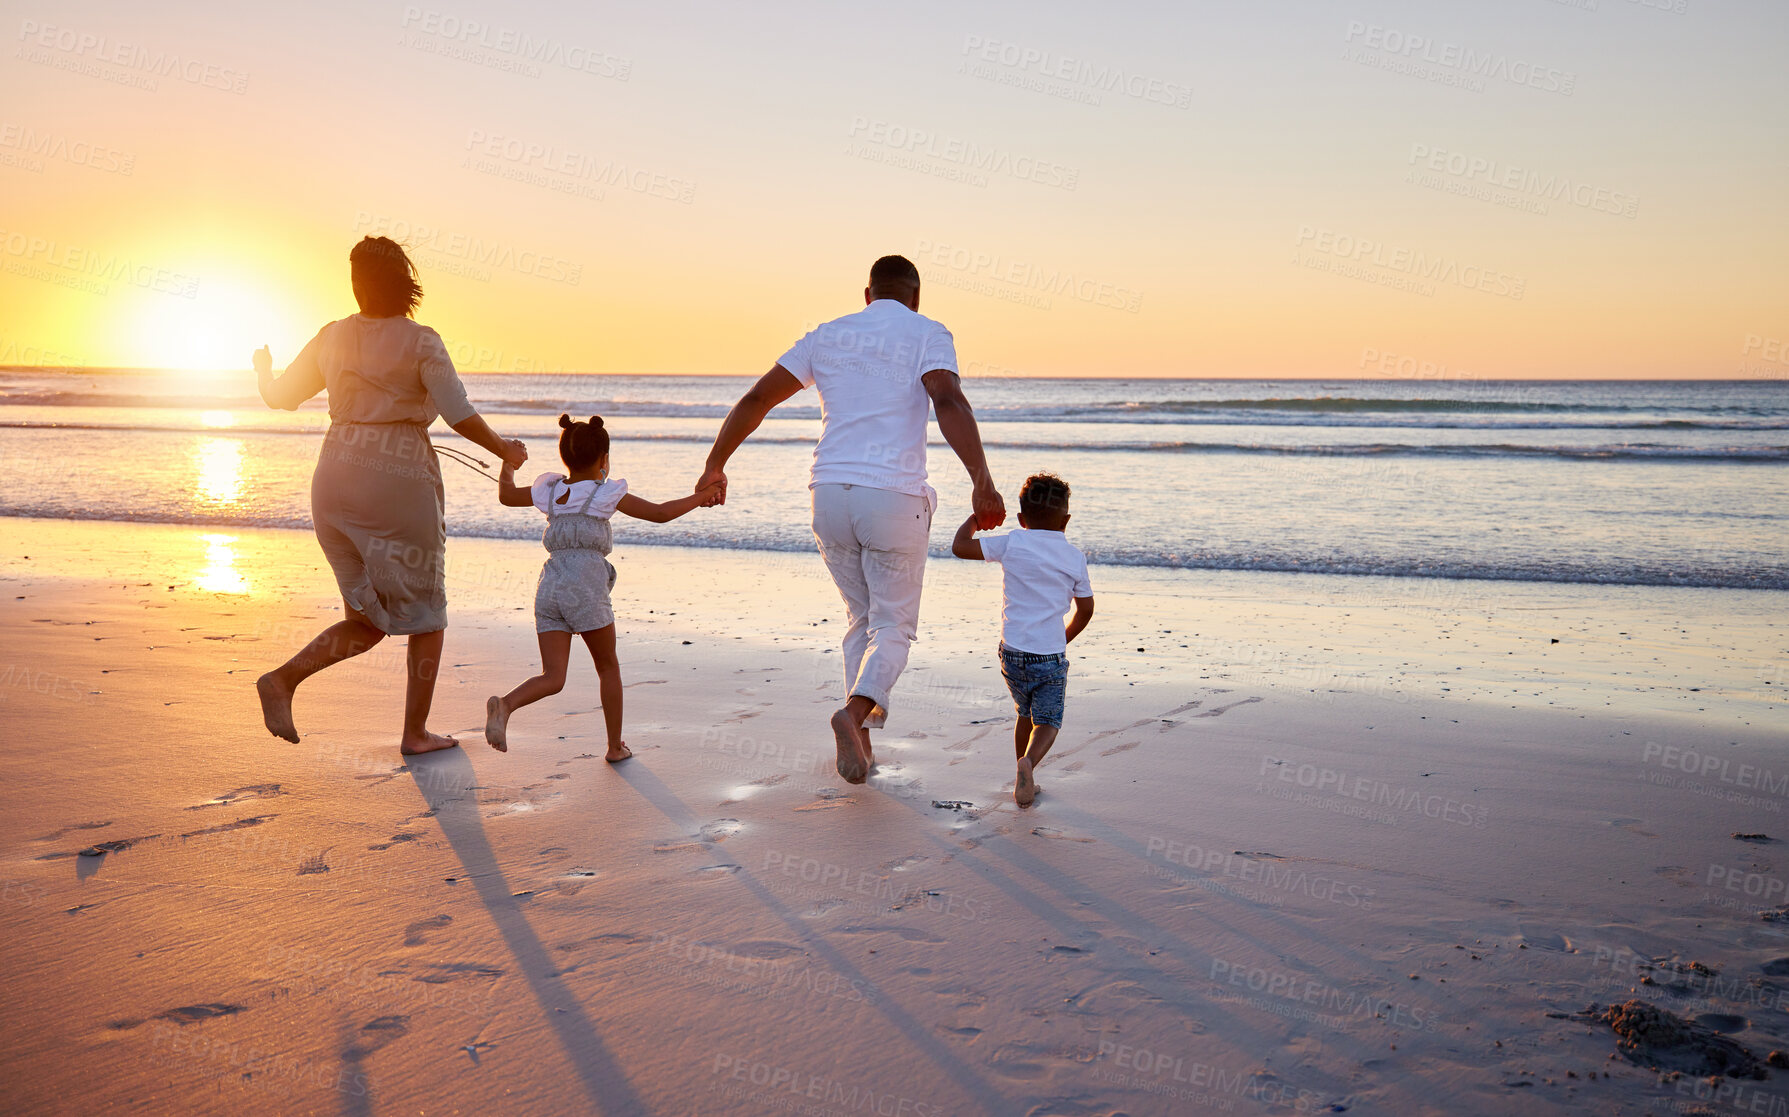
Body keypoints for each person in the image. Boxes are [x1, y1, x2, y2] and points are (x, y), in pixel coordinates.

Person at [698, 255, 1005, 783]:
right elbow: (948, 399)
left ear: (867, 294)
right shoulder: (928, 331)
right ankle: (854, 714)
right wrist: (981, 478)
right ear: (915, 297)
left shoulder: (827, 334)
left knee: (861, 620)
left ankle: (861, 742)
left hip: (829, 496)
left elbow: (756, 398)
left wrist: (715, 464)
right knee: (894, 626)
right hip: (891, 498)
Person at [253, 236, 528, 755]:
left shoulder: (331, 336)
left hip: (333, 480)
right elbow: (457, 412)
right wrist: (504, 452)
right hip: (395, 481)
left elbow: (279, 397)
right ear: (405, 283)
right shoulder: (421, 340)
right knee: (426, 612)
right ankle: (414, 733)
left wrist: (262, 369)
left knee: (368, 621)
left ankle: (284, 680)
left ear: (357, 284)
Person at [485, 414, 722, 761]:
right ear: (603, 461)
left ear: (565, 458)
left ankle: (506, 704)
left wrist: (509, 463)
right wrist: (700, 497)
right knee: (607, 666)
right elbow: (659, 513)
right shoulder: (604, 493)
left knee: (553, 676)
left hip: (549, 586)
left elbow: (506, 495)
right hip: (585, 587)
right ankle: (614, 747)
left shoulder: (551, 492)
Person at [951, 473, 1095, 806]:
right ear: (1067, 520)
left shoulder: (1013, 541)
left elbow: (960, 547)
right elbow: (1086, 610)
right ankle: (1028, 765)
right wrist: (1063, 639)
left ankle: (1021, 772)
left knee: (1024, 713)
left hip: (1011, 653)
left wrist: (975, 519)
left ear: (1021, 519)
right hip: (1049, 656)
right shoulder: (1074, 557)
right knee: (1048, 720)